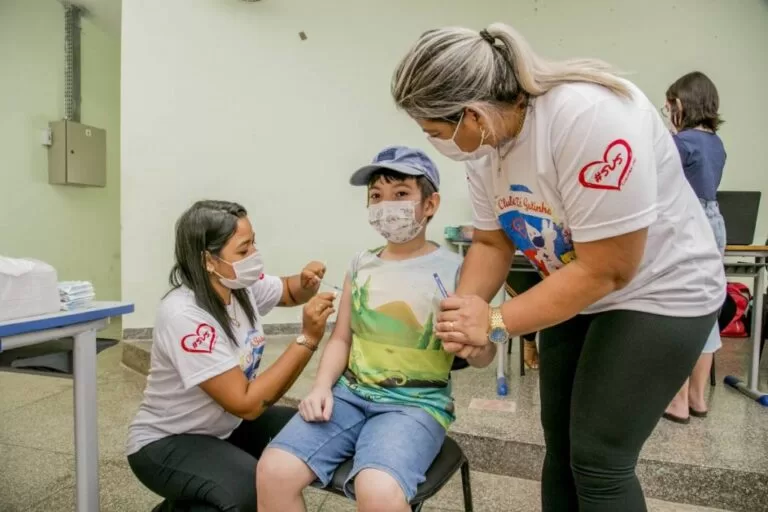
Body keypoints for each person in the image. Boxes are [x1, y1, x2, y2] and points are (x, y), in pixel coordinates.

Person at [392, 23, 726, 512]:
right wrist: (469, 309)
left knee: (599, 459)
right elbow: (491, 241)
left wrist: (496, 322)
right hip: (577, 286)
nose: (436, 142)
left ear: (472, 114)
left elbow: (608, 270)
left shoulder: (587, 117)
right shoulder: (485, 145)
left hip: (660, 290)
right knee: (562, 447)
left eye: (436, 132)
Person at [256, 147, 491, 512]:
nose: (386, 207)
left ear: (430, 204)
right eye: (376, 197)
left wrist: (479, 348)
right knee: (274, 470)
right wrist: (321, 387)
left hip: (414, 406)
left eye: (400, 195)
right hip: (349, 396)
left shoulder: (456, 270)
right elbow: (342, 338)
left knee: (377, 490)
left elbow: (482, 353)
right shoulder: (361, 265)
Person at [126, 200, 337, 512]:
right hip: (168, 441)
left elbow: (290, 291)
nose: (254, 255)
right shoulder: (185, 315)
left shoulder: (239, 286)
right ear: (208, 260)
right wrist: (307, 338)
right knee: (250, 490)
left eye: (254, 243)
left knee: (307, 432)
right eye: (243, 249)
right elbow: (247, 404)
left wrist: (307, 282)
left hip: (224, 427)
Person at [661, 71, 727, 423]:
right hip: (714, 223)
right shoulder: (716, 143)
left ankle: (677, 401)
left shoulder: (680, 142)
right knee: (706, 313)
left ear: (680, 105)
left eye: (668, 105)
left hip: (687, 225)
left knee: (677, 310)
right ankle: (699, 398)